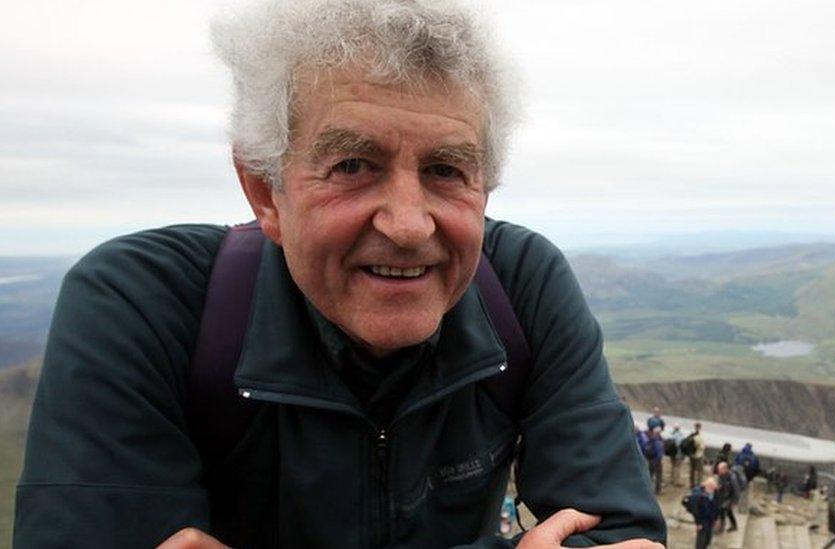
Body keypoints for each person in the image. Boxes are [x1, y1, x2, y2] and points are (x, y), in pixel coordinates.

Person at [12, 1, 667, 548]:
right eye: (354, 164)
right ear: (265, 190)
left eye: (446, 169)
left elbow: (620, 531)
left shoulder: (523, 284)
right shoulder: (141, 304)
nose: (410, 224)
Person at [688, 476, 719, 549]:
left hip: (710, 520)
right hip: (702, 522)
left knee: (707, 540)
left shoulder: (715, 493)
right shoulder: (699, 496)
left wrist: (715, 518)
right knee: (700, 542)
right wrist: (698, 523)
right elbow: (695, 511)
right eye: (712, 487)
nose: (714, 489)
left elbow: (716, 506)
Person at [713, 462, 738, 534]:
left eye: (720, 469)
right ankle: (734, 525)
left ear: (725, 469)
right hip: (723, 496)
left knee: (723, 510)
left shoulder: (732, 478)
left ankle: (721, 529)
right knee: (729, 512)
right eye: (718, 469)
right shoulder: (721, 475)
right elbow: (721, 485)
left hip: (729, 498)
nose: (718, 471)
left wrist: (734, 501)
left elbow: (736, 490)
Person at [686, 423, 706, 487]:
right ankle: (698, 484)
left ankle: (691, 484)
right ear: (700, 427)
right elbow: (702, 447)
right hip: (698, 455)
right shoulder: (699, 436)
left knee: (692, 470)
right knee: (700, 470)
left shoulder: (691, 434)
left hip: (692, 455)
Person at [648, 428, 665, 495]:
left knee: (650, 475)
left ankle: (648, 489)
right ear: (659, 433)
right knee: (658, 476)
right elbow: (660, 454)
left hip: (650, 460)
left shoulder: (650, 440)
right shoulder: (658, 442)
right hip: (657, 462)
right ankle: (658, 490)